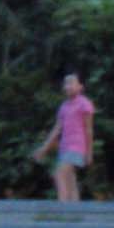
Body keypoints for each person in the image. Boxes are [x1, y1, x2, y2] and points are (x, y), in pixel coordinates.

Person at [32, 73, 94, 202]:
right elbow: (56, 129)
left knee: (59, 173)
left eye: (71, 83)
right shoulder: (64, 107)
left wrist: (89, 152)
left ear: (80, 87)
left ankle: (62, 209)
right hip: (64, 148)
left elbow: (89, 130)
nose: (68, 86)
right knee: (70, 179)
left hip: (77, 146)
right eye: (66, 84)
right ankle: (76, 213)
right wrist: (43, 149)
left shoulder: (85, 104)